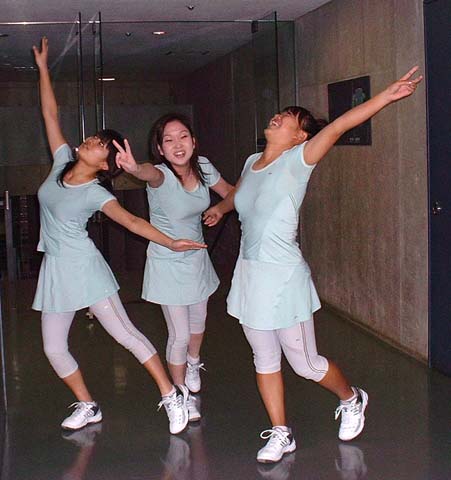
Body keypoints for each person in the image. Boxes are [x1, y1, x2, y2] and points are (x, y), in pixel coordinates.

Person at [204, 67, 422, 463]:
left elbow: (338, 126)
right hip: (250, 275)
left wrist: (387, 97)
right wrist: (220, 207)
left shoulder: (298, 160)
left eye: (289, 117)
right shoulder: (253, 160)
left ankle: (352, 398)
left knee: (305, 363)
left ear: (300, 136)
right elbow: (240, 195)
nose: (279, 116)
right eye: (280, 113)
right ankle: (281, 433)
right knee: (264, 360)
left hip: (284, 278)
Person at [32, 37, 206, 435]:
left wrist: (170, 241)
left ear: (104, 165)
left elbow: (130, 222)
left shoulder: (95, 191)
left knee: (127, 335)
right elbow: (50, 114)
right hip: (55, 271)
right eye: (94, 138)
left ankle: (171, 395)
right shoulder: (61, 162)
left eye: (99, 144)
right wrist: (43, 68)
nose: (91, 139)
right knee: (52, 347)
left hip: (86, 270)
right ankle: (87, 404)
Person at [114, 113, 234, 420]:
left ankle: (193, 362)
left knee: (199, 324)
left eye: (183, 136)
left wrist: (220, 208)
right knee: (178, 335)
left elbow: (232, 193)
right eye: (168, 140)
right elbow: (147, 173)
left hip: (197, 259)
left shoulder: (204, 166)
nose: (177, 144)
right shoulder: (160, 175)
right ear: (161, 149)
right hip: (167, 263)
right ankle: (179, 395)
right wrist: (133, 168)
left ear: (193, 141)